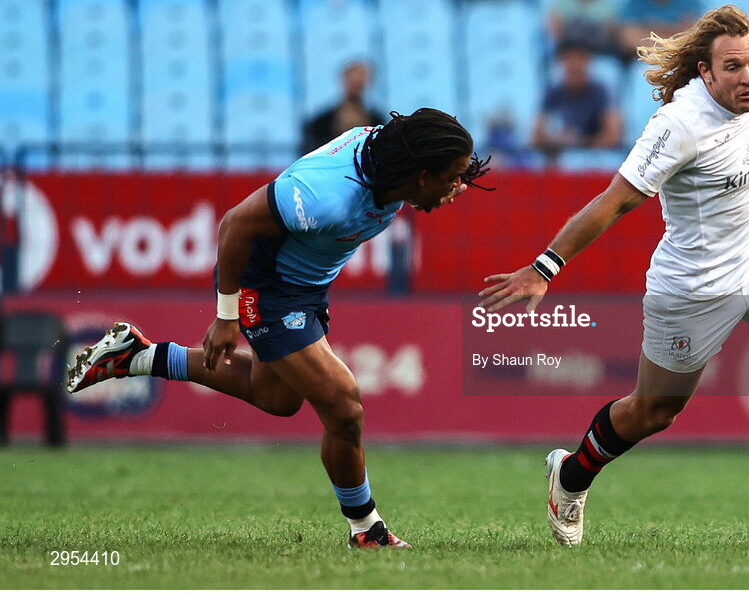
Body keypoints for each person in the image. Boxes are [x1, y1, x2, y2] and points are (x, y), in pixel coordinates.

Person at [480, 5, 749, 547]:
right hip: (692, 288)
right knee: (654, 410)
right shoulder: (679, 125)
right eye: (731, 68)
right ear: (705, 73)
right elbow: (614, 202)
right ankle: (569, 477)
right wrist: (544, 267)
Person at [67, 109, 491, 548]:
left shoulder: (393, 167)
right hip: (266, 288)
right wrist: (227, 315)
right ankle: (367, 530)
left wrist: (442, 183)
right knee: (344, 408)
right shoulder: (324, 195)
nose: (458, 186)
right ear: (422, 175)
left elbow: (419, 172)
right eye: (453, 177)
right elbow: (235, 223)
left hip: (305, 288)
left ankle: (136, 356)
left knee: (276, 398)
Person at [532, 41, 622, 160]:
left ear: (588, 63)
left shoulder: (600, 91)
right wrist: (556, 140)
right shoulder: (553, 91)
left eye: (580, 59)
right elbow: (536, 137)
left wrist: (579, 142)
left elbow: (613, 135)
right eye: (569, 59)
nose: (574, 64)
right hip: (559, 156)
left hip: (593, 157)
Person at [302, 61, 385, 154]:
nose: (357, 85)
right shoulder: (319, 124)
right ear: (344, 80)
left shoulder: (377, 122)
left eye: (360, 82)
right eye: (353, 81)